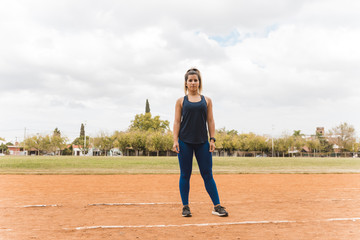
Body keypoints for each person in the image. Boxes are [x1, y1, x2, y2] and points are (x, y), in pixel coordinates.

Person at [172, 68, 228, 217]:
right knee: (185, 174)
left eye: (195, 80)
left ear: (199, 82)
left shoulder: (207, 100)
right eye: (190, 80)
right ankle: (185, 207)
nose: (193, 83)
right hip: (185, 142)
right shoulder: (180, 101)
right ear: (186, 83)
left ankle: (217, 206)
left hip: (203, 142)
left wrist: (212, 139)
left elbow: (210, 120)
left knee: (207, 174)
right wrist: (175, 140)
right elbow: (177, 122)